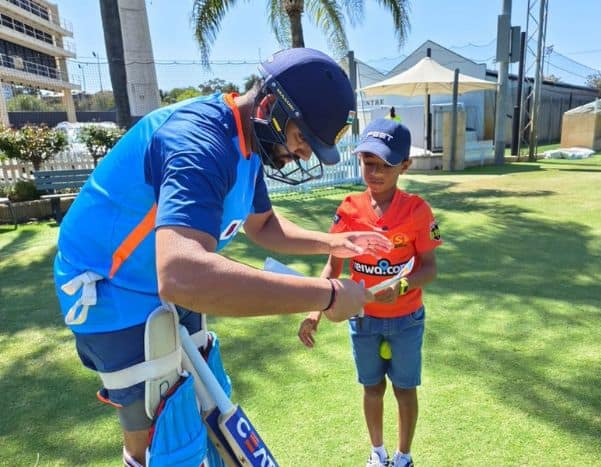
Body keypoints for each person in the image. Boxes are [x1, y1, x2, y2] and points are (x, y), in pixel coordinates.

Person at [53, 47, 393, 467]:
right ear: (270, 105)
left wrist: (332, 243)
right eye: (303, 137)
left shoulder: (248, 143)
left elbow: (263, 225)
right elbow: (181, 275)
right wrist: (326, 294)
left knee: (210, 402)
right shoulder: (199, 142)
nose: (304, 154)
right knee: (161, 435)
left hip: (160, 280)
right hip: (110, 285)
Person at [298, 118, 442, 467]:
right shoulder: (348, 208)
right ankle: (378, 454)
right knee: (372, 388)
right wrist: (314, 310)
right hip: (362, 320)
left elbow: (429, 268)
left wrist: (402, 285)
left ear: (404, 166)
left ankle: (403, 456)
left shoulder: (418, 210)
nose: (375, 172)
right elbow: (333, 267)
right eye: (368, 163)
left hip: (406, 320)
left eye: (386, 165)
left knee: (405, 390)